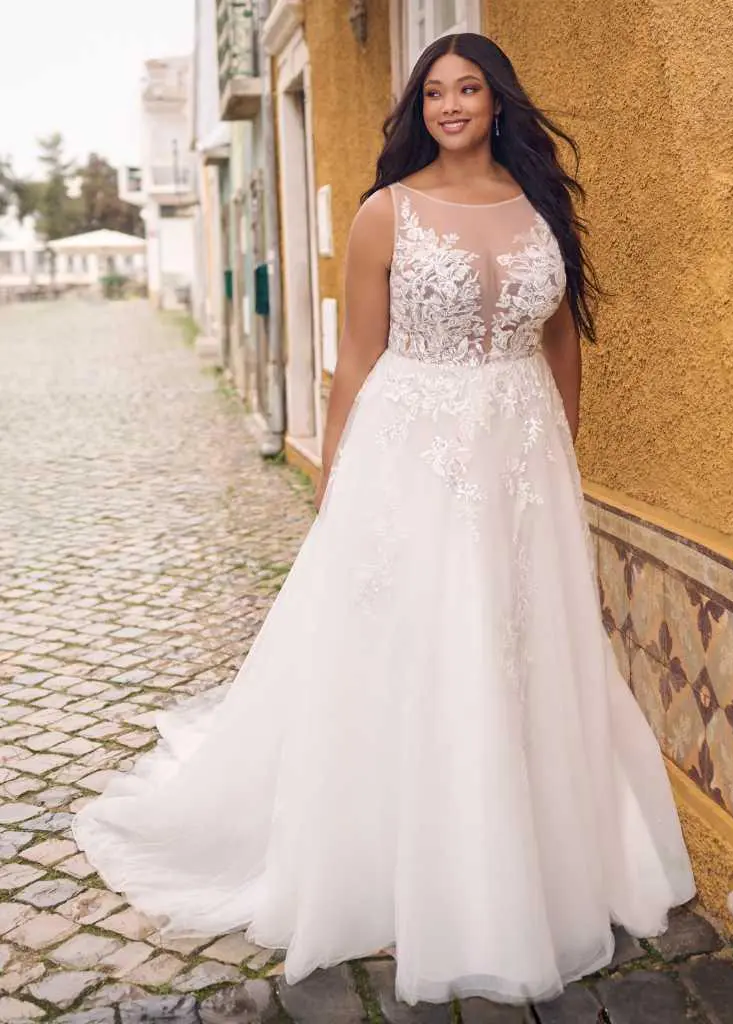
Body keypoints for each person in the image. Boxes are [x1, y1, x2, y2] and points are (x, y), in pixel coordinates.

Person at [73, 32, 695, 1008]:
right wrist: (337, 474)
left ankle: (527, 856)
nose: (451, 105)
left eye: (470, 88)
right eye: (436, 91)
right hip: (412, 453)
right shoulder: (385, 213)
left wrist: (559, 454)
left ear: (500, 103)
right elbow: (359, 356)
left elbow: (564, 344)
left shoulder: (543, 211)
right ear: (421, 108)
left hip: (520, 457)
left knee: (519, 649)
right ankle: (407, 859)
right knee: (418, 645)